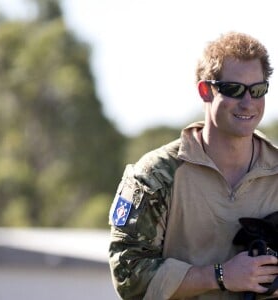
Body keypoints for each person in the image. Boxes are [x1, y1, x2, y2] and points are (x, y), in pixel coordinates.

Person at [108, 31, 278, 299]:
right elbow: (128, 274)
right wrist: (221, 276)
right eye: (234, 90)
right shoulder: (156, 176)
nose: (248, 102)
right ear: (205, 91)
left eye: (257, 90)